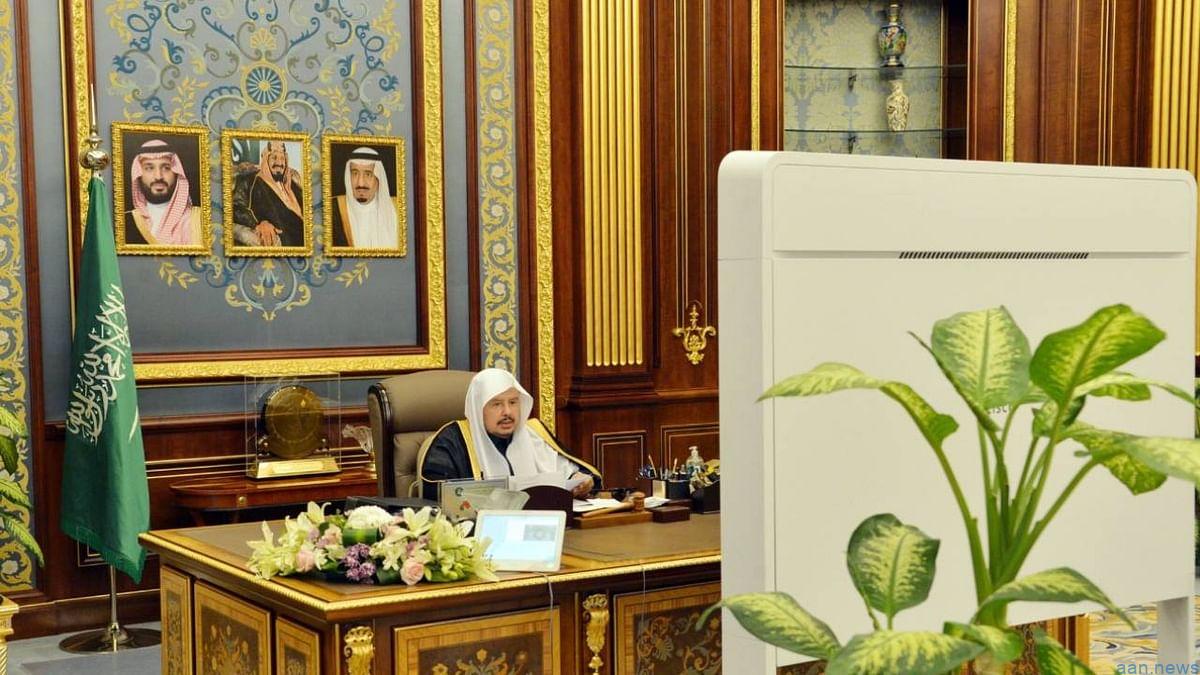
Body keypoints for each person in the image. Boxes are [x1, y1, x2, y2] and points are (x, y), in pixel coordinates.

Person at [418, 368, 601, 500]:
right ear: (478, 409)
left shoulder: (534, 433)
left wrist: (581, 481)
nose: (507, 412)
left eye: (513, 402)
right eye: (496, 404)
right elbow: (437, 493)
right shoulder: (452, 441)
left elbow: (575, 473)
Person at [126, 139, 202, 246]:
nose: (158, 176)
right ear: (138, 173)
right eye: (149, 168)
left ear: (176, 173)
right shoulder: (126, 222)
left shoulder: (198, 220)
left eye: (166, 168)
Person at [230, 140, 304, 247]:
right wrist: (258, 223)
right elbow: (236, 208)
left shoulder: (292, 184)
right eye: (274, 158)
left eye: (282, 158)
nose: (279, 163)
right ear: (266, 159)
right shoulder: (249, 180)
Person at [332, 146, 400, 249]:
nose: (361, 183)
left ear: (378, 177)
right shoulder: (333, 209)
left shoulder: (398, 209)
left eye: (368, 174)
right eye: (355, 174)